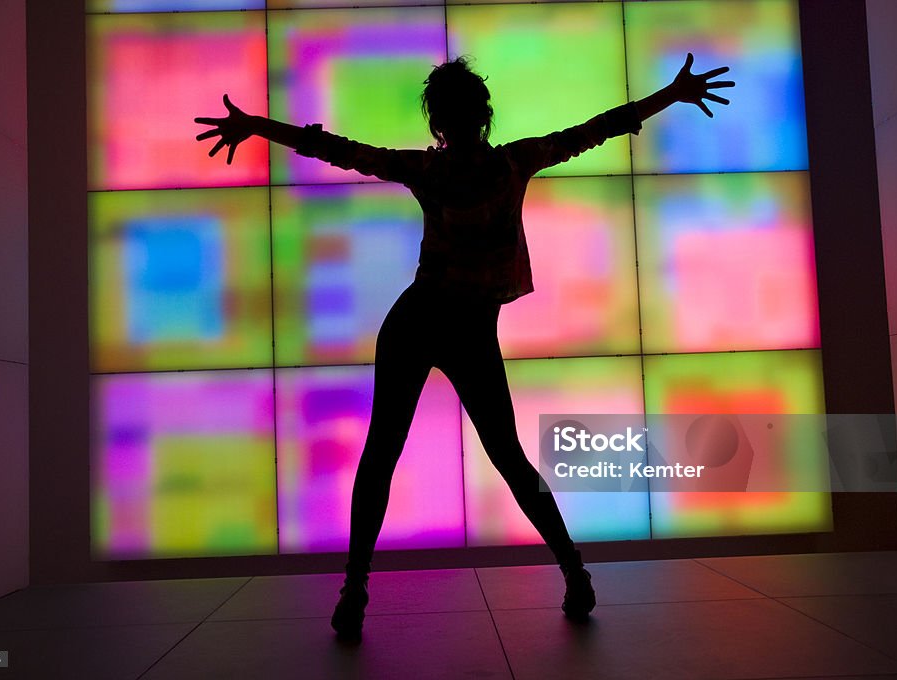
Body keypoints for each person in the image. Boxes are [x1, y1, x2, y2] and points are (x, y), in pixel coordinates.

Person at [196, 53, 732, 640]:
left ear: (437, 121)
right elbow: (603, 125)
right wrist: (670, 93)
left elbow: (337, 150)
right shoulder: (514, 163)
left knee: (383, 457)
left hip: (418, 320)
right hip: (468, 329)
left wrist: (256, 126)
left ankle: (355, 590)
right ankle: (574, 573)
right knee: (506, 458)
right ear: (484, 114)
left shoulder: (431, 172)